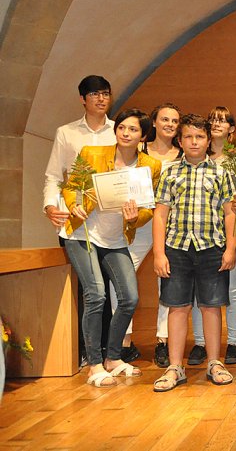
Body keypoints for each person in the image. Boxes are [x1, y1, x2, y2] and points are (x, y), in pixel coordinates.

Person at [63, 108, 162, 387]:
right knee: (95, 294)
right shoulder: (92, 154)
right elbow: (71, 187)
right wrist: (74, 204)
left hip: (117, 239)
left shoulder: (150, 167)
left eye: (133, 129)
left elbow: (148, 209)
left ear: (143, 135)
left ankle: (113, 358)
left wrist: (136, 217)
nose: (126, 133)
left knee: (129, 298)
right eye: (122, 127)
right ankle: (95, 364)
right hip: (83, 235)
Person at [152, 113, 236, 392]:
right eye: (188, 136)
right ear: (180, 139)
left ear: (208, 140)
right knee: (178, 307)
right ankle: (175, 366)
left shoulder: (221, 172)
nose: (194, 141)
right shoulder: (170, 172)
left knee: (212, 306)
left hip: (211, 247)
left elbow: (229, 213)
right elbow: (160, 216)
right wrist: (158, 253)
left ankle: (215, 362)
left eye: (200, 136)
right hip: (176, 248)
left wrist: (230, 247)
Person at [43, 75, 116, 369]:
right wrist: (50, 206)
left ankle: (109, 352)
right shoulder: (66, 133)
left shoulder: (118, 131)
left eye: (106, 94)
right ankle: (87, 351)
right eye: (95, 94)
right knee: (90, 289)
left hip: (110, 224)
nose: (101, 99)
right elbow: (53, 176)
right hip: (77, 223)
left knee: (109, 288)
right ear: (82, 99)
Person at [188, 107, 236, 366]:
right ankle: (200, 343)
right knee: (198, 293)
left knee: (232, 288)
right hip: (200, 232)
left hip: (231, 227)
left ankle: (232, 343)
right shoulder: (197, 155)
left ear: (232, 128)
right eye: (212, 119)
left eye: (223, 121)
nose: (216, 124)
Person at [137, 103, 183, 368]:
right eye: (164, 119)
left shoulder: (182, 155)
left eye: (174, 121)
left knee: (166, 284)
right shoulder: (140, 152)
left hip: (171, 226)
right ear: (153, 122)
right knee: (121, 283)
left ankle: (163, 341)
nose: (169, 124)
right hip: (139, 223)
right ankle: (122, 341)